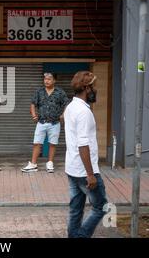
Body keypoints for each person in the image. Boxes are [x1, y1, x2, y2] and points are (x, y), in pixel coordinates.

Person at [64, 71, 108, 238]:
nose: (95, 90)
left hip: (72, 168)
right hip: (84, 171)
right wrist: (90, 174)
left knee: (76, 209)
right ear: (86, 88)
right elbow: (83, 144)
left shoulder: (70, 107)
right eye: (94, 86)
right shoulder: (84, 112)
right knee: (101, 206)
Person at [22, 72, 69, 173]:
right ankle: (33, 164)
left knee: (53, 143)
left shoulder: (60, 92)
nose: (46, 81)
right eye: (45, 79)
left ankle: (50, 163)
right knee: (37, 143)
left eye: (49, 79)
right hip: (41, 122)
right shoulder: (39, 91)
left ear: (54, 80)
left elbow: (66, 104)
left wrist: (63, 115)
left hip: (55, 123)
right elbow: (33, 104)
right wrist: (34, 115)